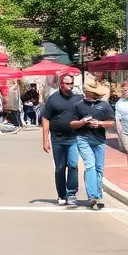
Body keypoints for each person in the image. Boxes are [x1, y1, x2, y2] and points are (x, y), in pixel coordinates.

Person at [71, 78, 116, 210]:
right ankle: (93, 195)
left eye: (89, 91)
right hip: (83, 138)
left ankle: (98, 196)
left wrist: (100, 123)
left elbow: (112, 122)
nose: (87, 93)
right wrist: (82, 122)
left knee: (99, 169)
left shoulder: (104, 105)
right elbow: (72, 124)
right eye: (86, 91)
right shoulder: (78, 105)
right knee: (90, 165)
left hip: (100, 140)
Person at [41, 73, 82, 207]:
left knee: (73, 165)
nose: (69, 86)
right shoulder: (52, 100)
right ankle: (61, 194)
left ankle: (71, 193)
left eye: (71, 83)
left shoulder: (78, 99)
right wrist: (45, 140)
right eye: (66, 83)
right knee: (60, 168)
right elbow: (45, 119)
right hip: (57, 139)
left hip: (73, 138)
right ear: (60, 84)